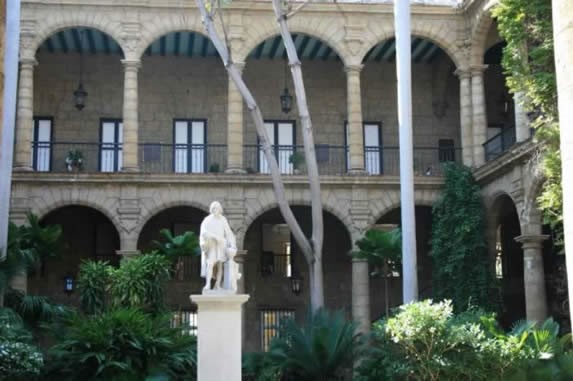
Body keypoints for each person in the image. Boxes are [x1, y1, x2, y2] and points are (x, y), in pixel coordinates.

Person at [200, 201, 237, 292]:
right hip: (212, 244)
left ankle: (217, 284)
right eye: (213, 208)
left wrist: (232, 244)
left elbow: (228, 232)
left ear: (220, 209)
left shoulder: (223, 219)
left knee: (220, 265)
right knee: (210, 264)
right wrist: (214, 237)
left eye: (216, 208)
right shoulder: (207, 220)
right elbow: (204, 232)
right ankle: (208, 284)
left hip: (221, 244)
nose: (215, 210)